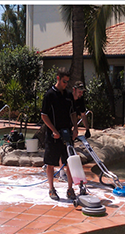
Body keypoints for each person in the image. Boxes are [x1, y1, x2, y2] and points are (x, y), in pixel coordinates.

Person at [41, 67, 80, 201]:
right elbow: (44, 115)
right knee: (51, 163)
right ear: (58, 78)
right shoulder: (49, 95)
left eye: (67, 82)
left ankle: (70, 189)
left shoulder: (68, 95)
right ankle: (51, 189)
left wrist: (75, 128)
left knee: (69, 163)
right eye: (64, 81)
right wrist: (53, 130)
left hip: (67, 134)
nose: (65, 84)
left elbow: (73, 113)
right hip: (54, 135)